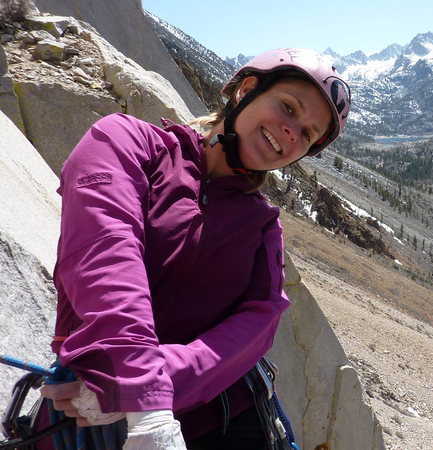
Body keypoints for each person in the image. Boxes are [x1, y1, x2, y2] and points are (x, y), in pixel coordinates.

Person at [38, 48, 351, 449]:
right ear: (247, 91)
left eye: (307, 134)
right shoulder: (125, 142)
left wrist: (152, 385)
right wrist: (141, 394)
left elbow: (260, 323)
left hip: (214, 421)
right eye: (289, 108)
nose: (293, 132)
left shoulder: (262, 225)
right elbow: (106, 253)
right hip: (88, 408)